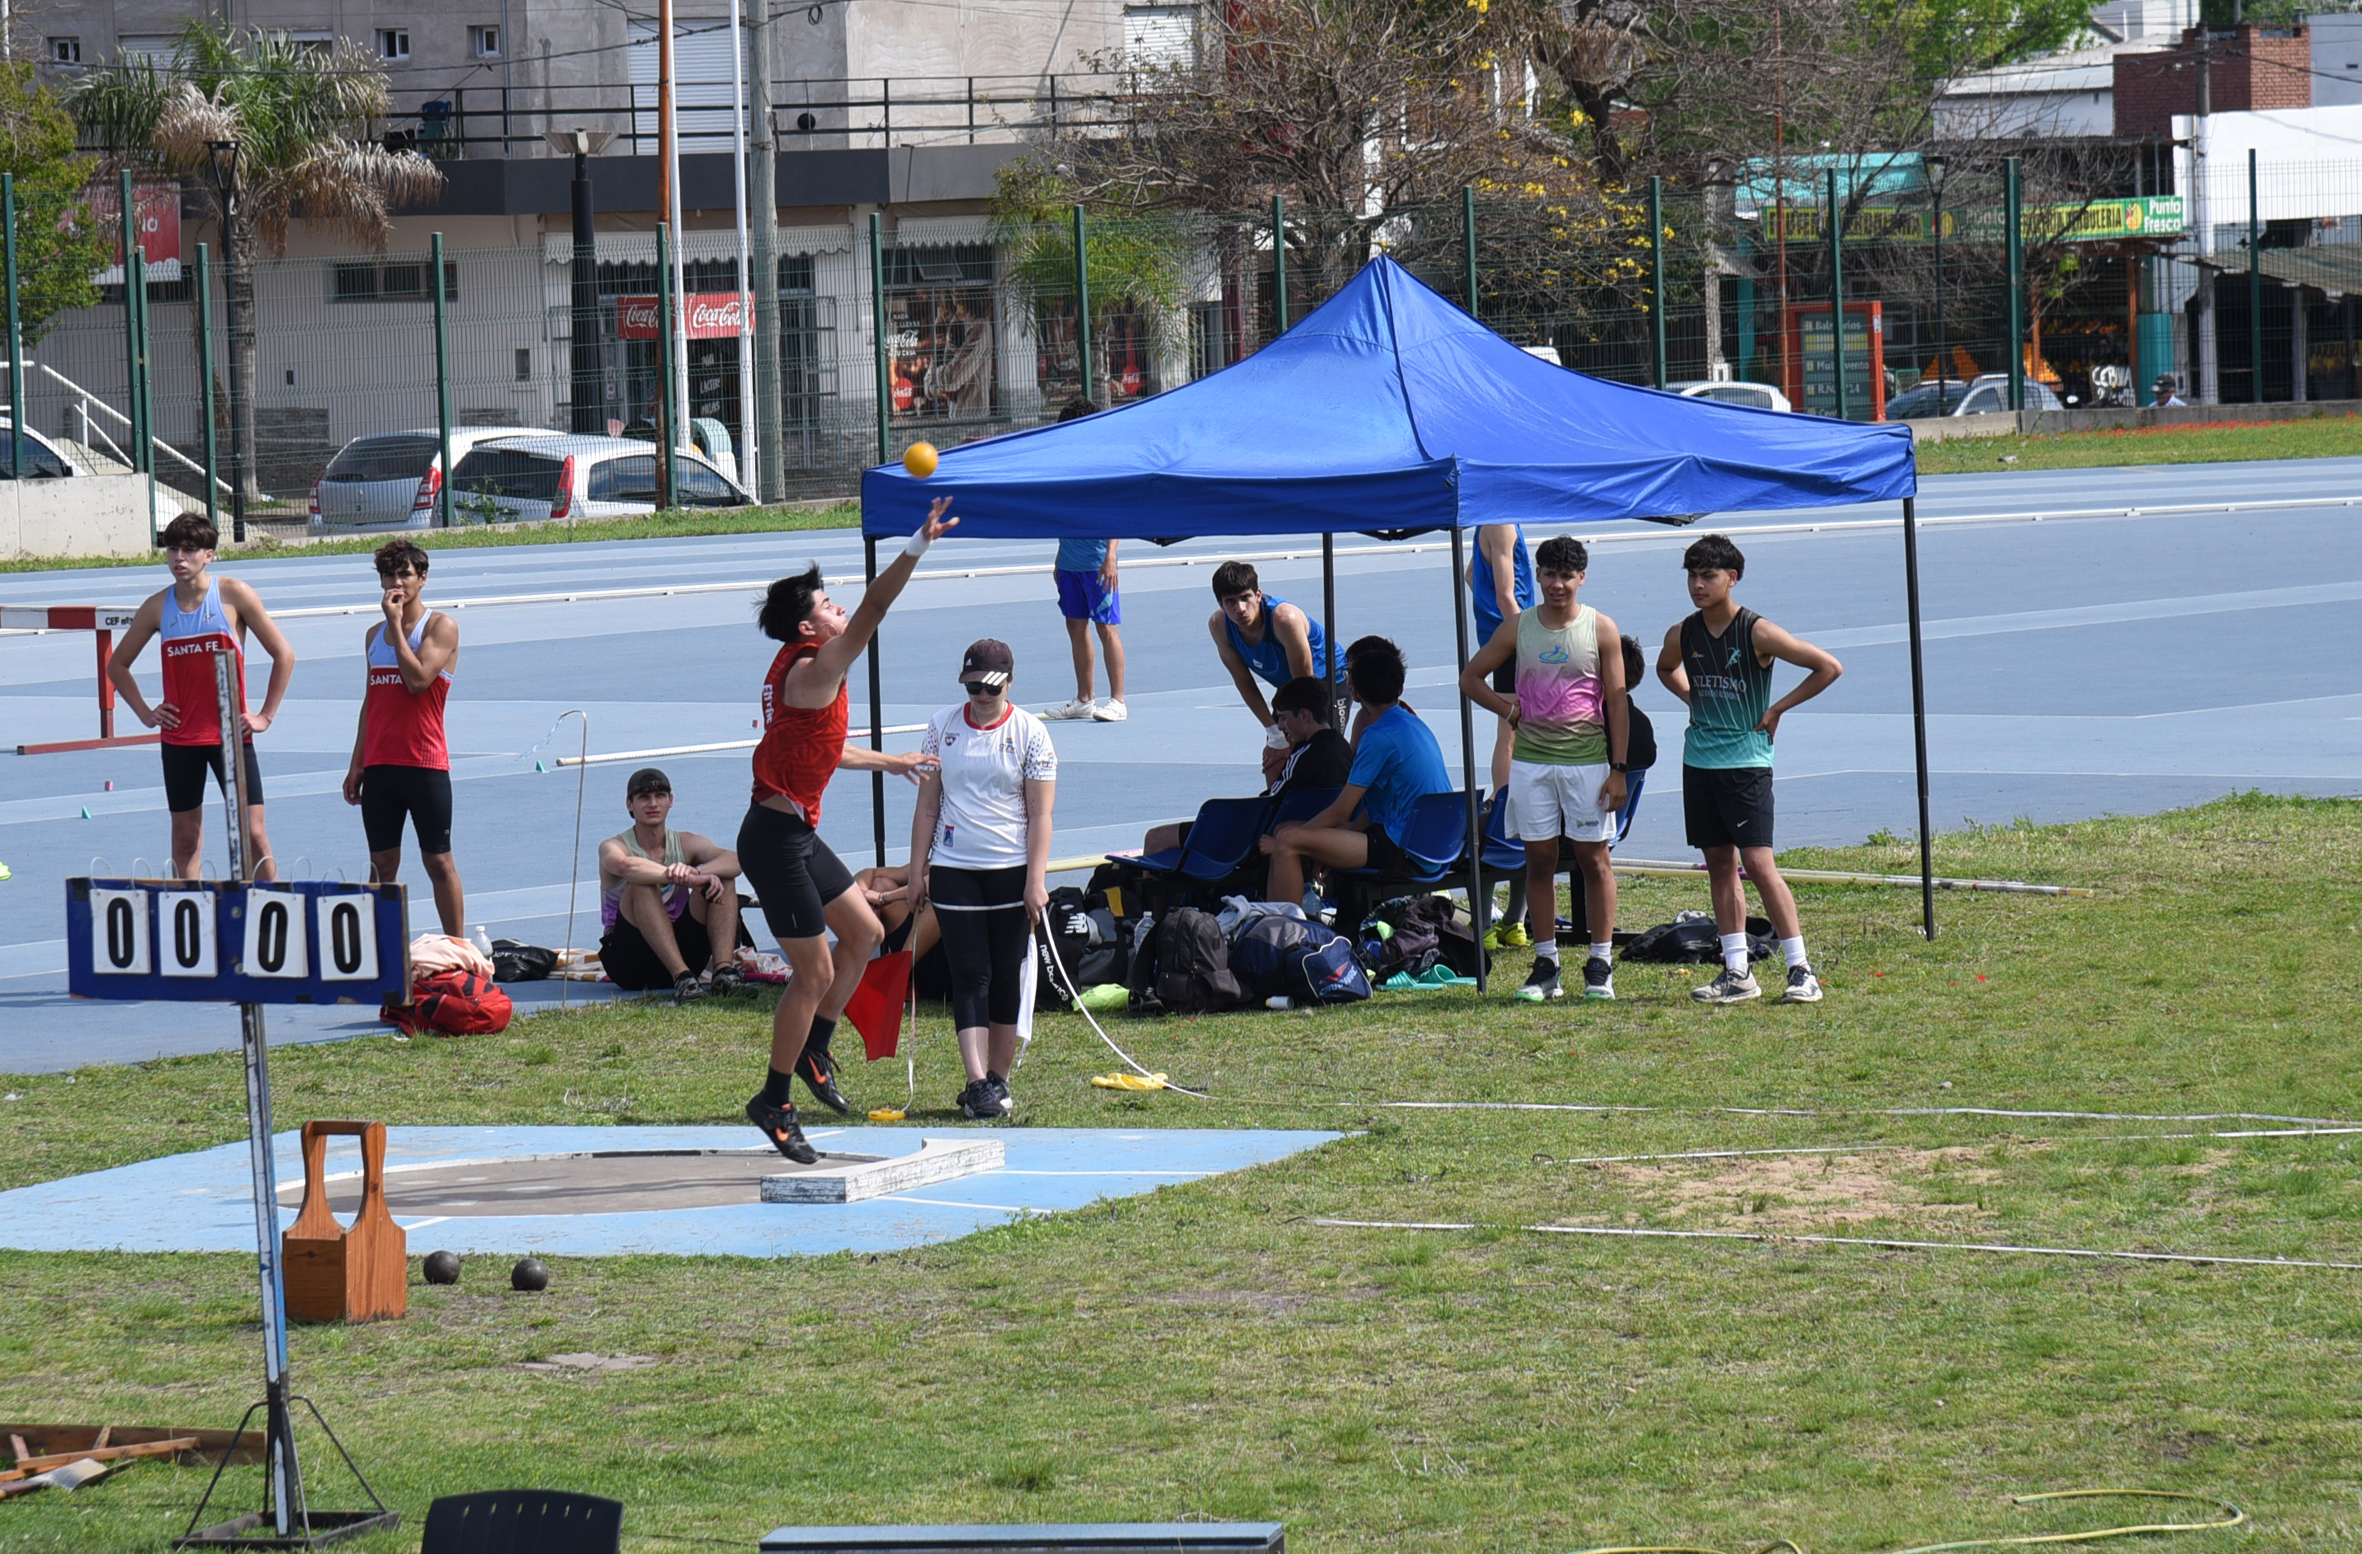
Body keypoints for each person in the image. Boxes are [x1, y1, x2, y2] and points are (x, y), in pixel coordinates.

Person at [740, 502, 955, 1163]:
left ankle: (815, 1047)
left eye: (836, 604)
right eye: (829, 605)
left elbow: (821, 747)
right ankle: (774, 1100)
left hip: (794, 834)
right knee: (814, 971)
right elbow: (873, 611)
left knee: (864, 932)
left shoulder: (799, 672)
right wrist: (916, 544)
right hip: (774, 844)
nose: (840, 610)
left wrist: (891, 760)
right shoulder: (817, 668)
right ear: (809, 624)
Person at [1656, 533, 1842, 1006]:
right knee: (1719, 863)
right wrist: (1691, 698)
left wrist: (1777, 709)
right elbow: (1664, 668)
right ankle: (1737, 971)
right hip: (1698, 761)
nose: (1698, 585)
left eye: (1708, 576)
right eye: (1692, 576)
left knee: (1759, 864)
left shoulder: (1756, 632)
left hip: (1746, 764)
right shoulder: (1683, 633)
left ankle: (1801, 969)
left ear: (1731, 579)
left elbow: (1827, 667)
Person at [1460, 535, 1628, 1002]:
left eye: (1566, 576)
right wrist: (1508, 711)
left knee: (1595, 860)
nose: (1557, 584)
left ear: (1581, 578)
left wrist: (1618, 767)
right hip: (1532, 764)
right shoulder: (1518, 627)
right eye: (1549, 575)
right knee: (1539, 860)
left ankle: (1600, 961)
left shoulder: (1601, 628)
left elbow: (1617, 702)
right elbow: (1470, 678)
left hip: (1588, 763)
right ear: (1537, 576)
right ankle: (1546, 963)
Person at [910, 638, 1057, 1120]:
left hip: (1010, 870)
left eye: (990, 687)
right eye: (972, 686)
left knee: (1005, 975)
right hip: (955, 870)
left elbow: (1040, 813)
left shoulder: (1031, 733)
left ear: (1009, 682)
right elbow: (927, 805)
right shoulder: (941, 727)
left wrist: (1035, 880)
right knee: (969, 973)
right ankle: (976, 1082)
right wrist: (917, 872)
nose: (981, 695)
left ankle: (999, 1077)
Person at [107, 514, 296, 882]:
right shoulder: (157, 607)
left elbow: (284, 655)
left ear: (209, 555)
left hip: (231, 738)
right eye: (173, 549)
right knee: (185, 839)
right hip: (180, 740)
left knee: (254, 835)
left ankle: (275, 914)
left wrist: (265, 716)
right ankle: (191, 918)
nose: (179, 557)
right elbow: (117, 666)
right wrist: (146, 712)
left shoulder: (233, 595)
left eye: (189, 550)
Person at [1260, 637, 1450, 909]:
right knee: (1286, 830)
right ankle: (1276, 921)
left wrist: (1283, 842)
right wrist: (1327, 843)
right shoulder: (1412, 723)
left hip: (1406, 849)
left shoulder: (1377, 735)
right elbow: (1376, 804)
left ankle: (1287, 935)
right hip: (1430, 841)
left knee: (1287, 840)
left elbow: (1339, 811)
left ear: (1354, 690)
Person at [343, 540, 463, 936]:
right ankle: (384, 949)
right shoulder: (372, 635)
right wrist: (357, 761)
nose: (396, 582)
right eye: (389, 575)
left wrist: (396, 624)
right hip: (381, 766)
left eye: (405, 574)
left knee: (438, 862)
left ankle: (457, 948)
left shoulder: (440, 627)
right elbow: (369, 700)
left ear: (422, 579)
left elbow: (416, 682)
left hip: (424, 764)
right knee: (382, 865)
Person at [595, 767, 748, 1002]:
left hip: (686, 953)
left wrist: (698, 872)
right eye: (644, 797)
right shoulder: (613, 845)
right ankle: (682, 978)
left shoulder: (686, 842)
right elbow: (625, 866)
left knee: (722, 878)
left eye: (660, 796)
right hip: (630, 964)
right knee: (641, 884)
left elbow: (736, 860)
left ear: (671, 801)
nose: (653, 803)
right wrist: (678, 876)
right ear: (630, 805)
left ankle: (724, 973)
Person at [1207, 560, 1341, 783]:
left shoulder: (1284, 619)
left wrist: (1295, 741)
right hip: (1289, 689)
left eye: (1245, 598)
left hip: (1327, 684)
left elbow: (1305, 685)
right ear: (1220, 604)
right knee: (1275, 765)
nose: (1239, 609)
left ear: (1258, 595)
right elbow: (1244, 682)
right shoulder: (1219, 626)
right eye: (1230, 602)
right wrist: (1275, 735)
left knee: (1316, 757)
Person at [1471, 522, 1536, 945]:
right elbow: (1504, 592)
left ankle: (1504, 795)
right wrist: (1530, 635)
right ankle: (1503, 796)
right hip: (1514, 634)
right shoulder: (1501, 522)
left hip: (1502, 632)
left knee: (1513, 724)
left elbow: (1470, 575)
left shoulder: (1489, 524)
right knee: (1512, 725)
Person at [1043, 399, 1127, 723]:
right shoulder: (1065, 465)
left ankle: (1118, 701)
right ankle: (1084, 699)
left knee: (1107, 629)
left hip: (1097, 562)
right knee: (1075, 628)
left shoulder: (1102, 465)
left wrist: (1111, 557)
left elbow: (1116, 513)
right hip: (1070, 563)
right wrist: (1058, 557)